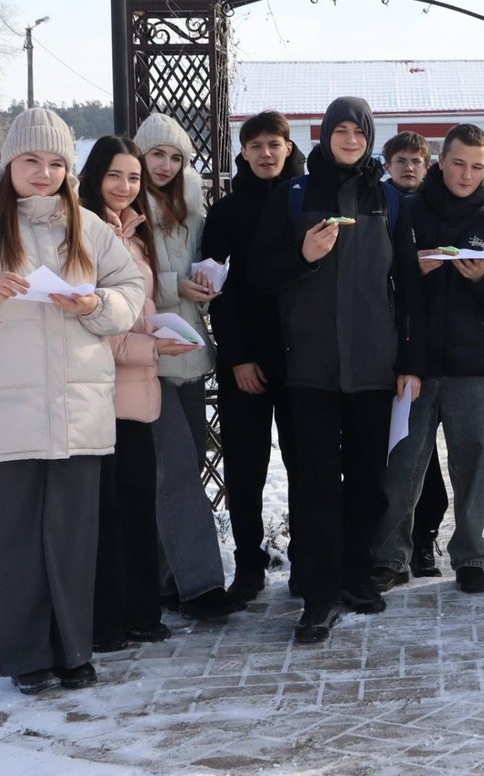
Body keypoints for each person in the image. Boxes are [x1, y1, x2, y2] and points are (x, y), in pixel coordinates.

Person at [0, 108, 147, 694]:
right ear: (9, 163)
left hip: (76, 409)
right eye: (31, 161)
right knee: (10, 538)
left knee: (72, 537)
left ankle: (74, 650)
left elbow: (129, 289)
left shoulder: (89, 227)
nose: (43, 173)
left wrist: (93, 307)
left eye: (55, 163)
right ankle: (26, 657)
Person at [251, 97, 422, 643]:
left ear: (371, 137)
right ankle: (318, 595)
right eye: (339, 130)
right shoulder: (294, 195)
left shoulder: (389, 199)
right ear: (323, 136)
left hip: (375, 367)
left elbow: (410, 287)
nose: (349, 139)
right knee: (317, 484)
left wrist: (409, 359)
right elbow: (259, 277)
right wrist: (302, 254)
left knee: (370, 482)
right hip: (310, 368)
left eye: (358, 131)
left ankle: (356, 575)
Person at [372, 125, 484, 596]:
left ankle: (471, 554)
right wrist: (410, 268)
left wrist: (483, 280)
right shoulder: (407, 212)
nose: (466, 174)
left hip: (471, 366)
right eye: (458, 163)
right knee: (403, 464)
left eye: (477, 166)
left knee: (473, 463)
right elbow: (381, 283)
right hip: (413, 363)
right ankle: (391, 556)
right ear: (440, 161)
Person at [76, 137, 206, 653]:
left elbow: (138, 306)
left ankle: (139, 611)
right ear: (93, 177)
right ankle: (106, 623)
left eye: (132, 178)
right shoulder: (83, 231)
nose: (126, 186)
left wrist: (163, 334)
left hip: (137, 387)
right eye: (115, 176)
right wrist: (150, 348)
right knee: (106, 509)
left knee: (135, 499)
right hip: (101, 389)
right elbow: (93, 320)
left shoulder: (134, 230)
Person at [130, 114, 239, 617]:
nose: (165, 165)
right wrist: (176, 286)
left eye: (175, 157)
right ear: (140, 156)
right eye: (157, 154)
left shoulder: (195, 210)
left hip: (191, 354)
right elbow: (123, 283)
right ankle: (199, 587)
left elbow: (201, 270)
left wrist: (208, 284)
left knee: (185, 465)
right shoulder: (126, 209)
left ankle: (162, 578)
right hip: (147, 356)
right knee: (175, 470)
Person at [200, 111, 303, 601]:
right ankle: (249, 562)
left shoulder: (308, 202)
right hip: (245, 359)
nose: (266, 153)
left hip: (303, 357)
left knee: (308, 464)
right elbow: (220, 292)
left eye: (274, 144)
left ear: (288, 147)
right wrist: (237, 357)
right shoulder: (225, 213)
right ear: (243, 152)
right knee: (246, 467)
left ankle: (306, 557)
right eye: (256, 145)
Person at [382, 129, 446, 577]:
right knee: (399, 454)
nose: (409, 167)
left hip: (429, 347)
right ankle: (389, 547)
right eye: (401, 160)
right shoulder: (379, 205)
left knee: (427, 459)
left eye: (416, 161)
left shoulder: (435, 206)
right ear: (387, 165)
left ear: (428, 166)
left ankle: (424, 540)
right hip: (385, 344)